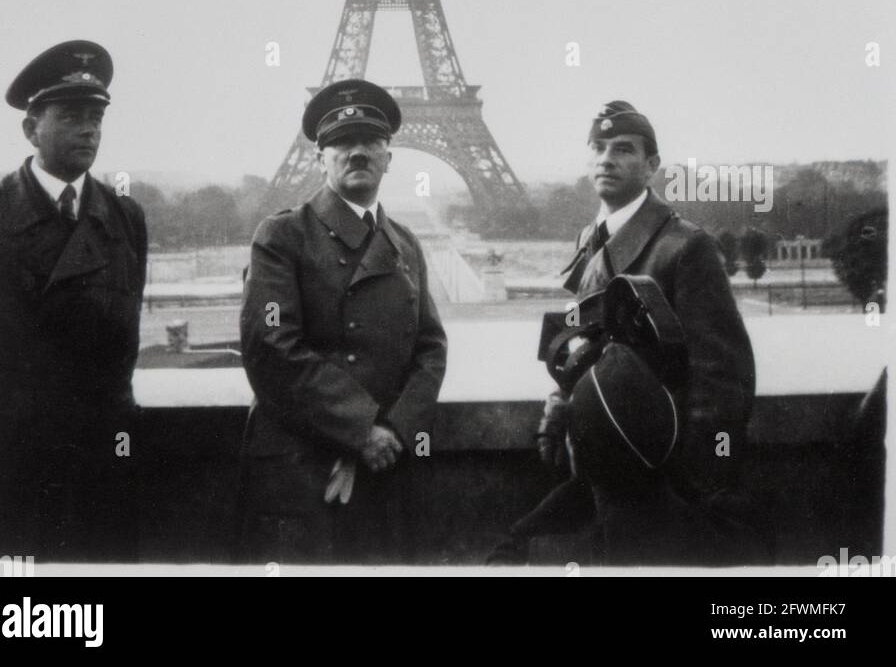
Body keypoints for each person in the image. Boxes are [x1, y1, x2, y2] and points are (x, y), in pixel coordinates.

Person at [492, 99, 759, 566]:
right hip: (602, 466)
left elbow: (722, 381)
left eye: (623, 149)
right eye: (597, 147)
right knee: (514, 550)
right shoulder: (591, 239)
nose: (606, 159)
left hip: (654, 482)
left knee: (521, 550)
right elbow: (587, 350)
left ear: (652, 165)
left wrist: (690, 488)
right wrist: (563, 402)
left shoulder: (686, 247)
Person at [238, 79, 448, 564]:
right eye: (341, 142)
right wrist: (361, 429)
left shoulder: (406, 243)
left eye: (370, 141)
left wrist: (392, 432)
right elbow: (270, 345)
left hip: (384, 462)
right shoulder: (281, 236)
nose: (357, 152)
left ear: (389, 156)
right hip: (305, 465)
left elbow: (430, 347)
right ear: (320, 156)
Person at [0, 41, 147, 560]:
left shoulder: (125, 217)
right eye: (72, 116)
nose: (90, 129)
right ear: (31, 129)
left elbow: (125, 336)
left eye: (96, 117)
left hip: (104, 454)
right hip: (15, 458)